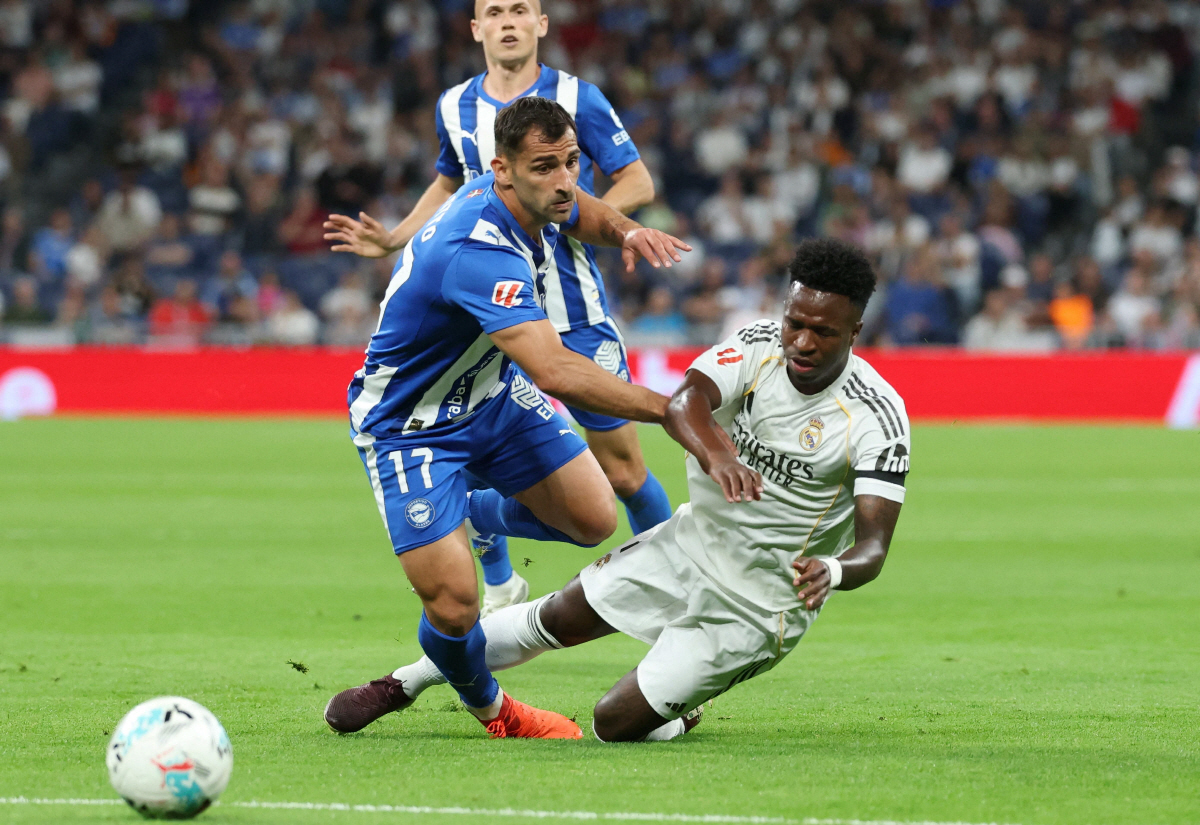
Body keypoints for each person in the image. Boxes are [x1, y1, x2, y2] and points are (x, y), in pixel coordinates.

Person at [327, 239, 910, 743]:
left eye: (822, 332)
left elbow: (874, 549)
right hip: (689, 545)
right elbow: (685, 401)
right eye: (795, 323)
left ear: (856, 331)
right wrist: (718, 454)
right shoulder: (758, 345)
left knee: (612, 723)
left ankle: (682, 706)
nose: (801, 343)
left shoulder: (877, 416)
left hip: (759, 603)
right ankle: (403, 682)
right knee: (552, 618)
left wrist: (832, 572)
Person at [324, 98, 690, 740]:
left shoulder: (535, 194)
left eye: (572, 162)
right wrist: (670, 408)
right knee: (457, 604)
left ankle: (476, 511)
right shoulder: (477, 247)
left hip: (490, 397)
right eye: (546, 166)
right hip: (411, 426)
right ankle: (497, 711)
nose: (563, 179)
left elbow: (584, 209)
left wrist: (627, 231)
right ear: (502, 169)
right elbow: (552, 369)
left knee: (594, 517)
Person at [323, 0, 670, 618]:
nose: (508, 21)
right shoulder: (453, 105)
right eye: (494, 11)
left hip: (570, 302)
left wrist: (574, 218)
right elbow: (453, 183)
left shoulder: (575, 96)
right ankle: (503, 582)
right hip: (493, 301)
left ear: (541, 24)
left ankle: (672, 581)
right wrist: (398, 236)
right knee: (479, 416)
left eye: (521, 10)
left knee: (621, 472)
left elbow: (637, 181)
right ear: (477, 27)